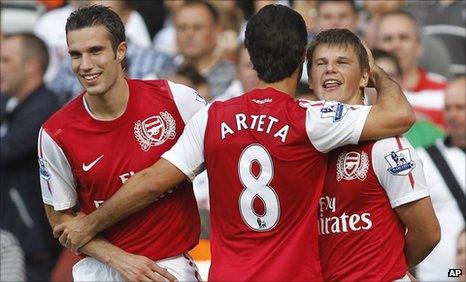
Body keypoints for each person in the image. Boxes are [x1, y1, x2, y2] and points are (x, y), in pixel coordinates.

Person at [53, 5, 415, 281]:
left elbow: (149, 183)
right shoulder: (312, 118)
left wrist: (90, 223)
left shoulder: (212, 116)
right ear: (302, 59)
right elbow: (400, 116)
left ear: (250, 59)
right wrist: (372, 67)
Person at [38, 5, 205, 281]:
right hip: (100, 268)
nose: (85, 65)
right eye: (75, 55)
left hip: (166, 269)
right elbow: (61, 220)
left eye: (95, 51)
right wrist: (119, 259)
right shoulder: (55, 132)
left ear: (121, 51)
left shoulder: (176, 99)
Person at [307, 29, 440, 281]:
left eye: (342, 62)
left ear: (364, 77)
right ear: (311, 81)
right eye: (320, 64)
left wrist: (390, 269)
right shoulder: (300, 144)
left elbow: (428, 232)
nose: (330, 69)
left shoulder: (387, 145)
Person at [0, 32, 62, 281]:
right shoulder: (12, 103)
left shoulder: (45, 108)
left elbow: (7, 150)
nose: (0, 68)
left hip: (33, 249)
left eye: (5, 60)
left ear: (31, 66)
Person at [416, 76, 465, 281]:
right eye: (447, 108)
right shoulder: (421, 159)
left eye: (460, 108)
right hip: (442, 275)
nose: (452, 115)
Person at [375, 10, 447, 129]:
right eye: (387, 39)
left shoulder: (444, 91)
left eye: (403, 38)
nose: (395, 45)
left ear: (419, 47)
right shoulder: (364, 92)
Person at [173, 0, 235, 99]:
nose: (189, 34)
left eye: (198, 28)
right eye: (182, 28)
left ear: (217, 31)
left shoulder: (236, 77)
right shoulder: (162, 75)